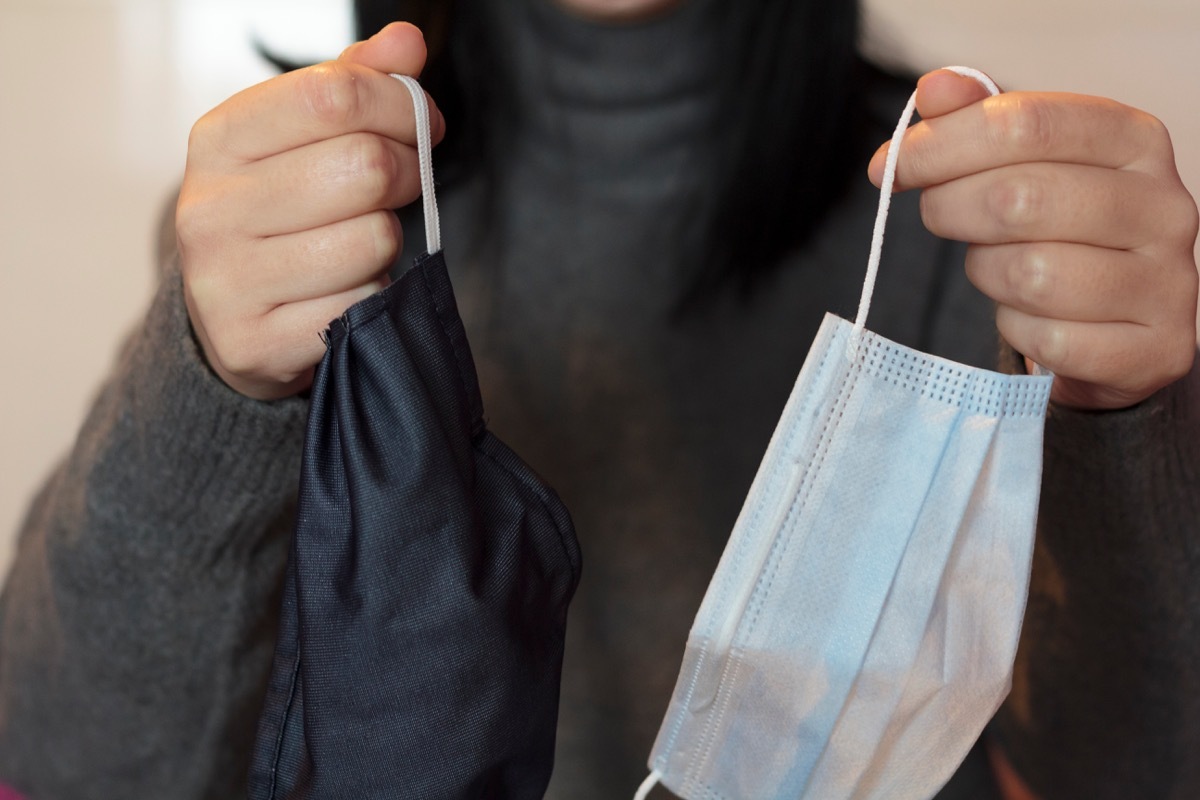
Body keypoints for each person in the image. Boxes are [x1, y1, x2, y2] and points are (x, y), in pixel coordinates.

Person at [1, 0, 1197, 798]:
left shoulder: (987, 218)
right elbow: (69, 756)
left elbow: (1138, 768)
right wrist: (209, 382)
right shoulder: (303, 219)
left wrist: (1132, 420)